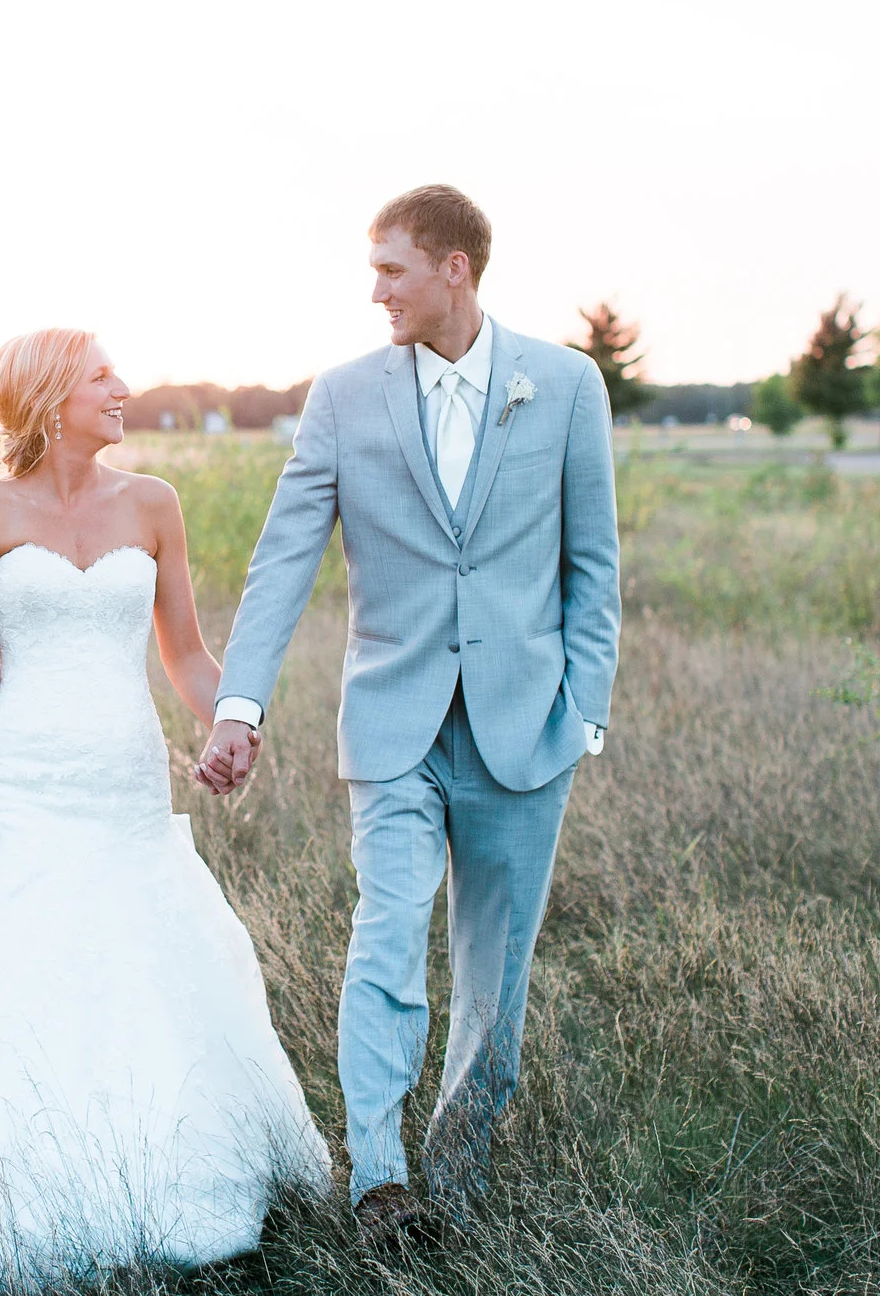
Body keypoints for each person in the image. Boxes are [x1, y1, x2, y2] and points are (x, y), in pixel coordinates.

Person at [0, 328, 329, 1285]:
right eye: (102, 376)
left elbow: (186, 654)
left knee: (137, 954)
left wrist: (233, 719)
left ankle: (160, 1158)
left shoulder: (154, 502)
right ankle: (18, 1161)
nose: (122, 387)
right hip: (20, 783)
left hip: (124, 781)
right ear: (51, 397)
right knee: (25, 955)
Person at [193, 184, 621, 1240]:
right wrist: (240, 703)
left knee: (493, 976)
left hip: (526, 729)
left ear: (452, 269)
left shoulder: (566, 385)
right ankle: (380, 1182)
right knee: (386, 935)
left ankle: (460, 1175)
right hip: (393, 724)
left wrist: (584, 711)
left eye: (392, 269)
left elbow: (593, 563)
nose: (376, 290)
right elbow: (284, 556)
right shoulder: (343, 397)